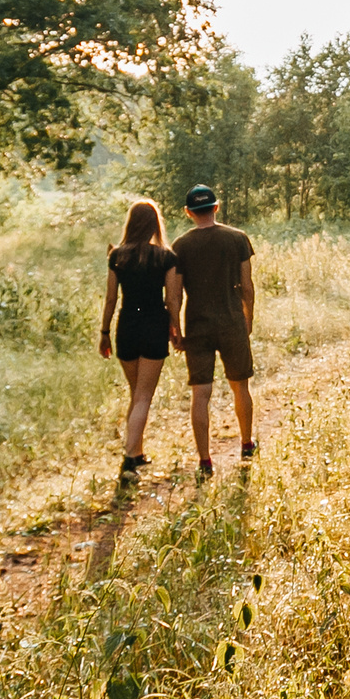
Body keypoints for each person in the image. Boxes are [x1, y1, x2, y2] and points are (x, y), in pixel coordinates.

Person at [166, 182, 256, 477]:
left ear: (188, 212)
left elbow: (175, 294)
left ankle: (205, 460)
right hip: (232, 321)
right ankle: (246, 443)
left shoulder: (180, 246)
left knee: (200, 393)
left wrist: (175, 326)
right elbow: (247, 286)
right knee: (240, 385)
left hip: (198, 325)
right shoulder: (238, 239)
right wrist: (248, 318)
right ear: (216, 207)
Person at [98, 198, 177, 480]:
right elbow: (172, 299)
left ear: (130, 223)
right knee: (144, 396)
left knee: (136, 394)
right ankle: (130, 460)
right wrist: (176, 328)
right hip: (154, 325)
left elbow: (110, 300)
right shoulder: (165, 257)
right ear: (155, 224)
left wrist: (104, 333)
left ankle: (137, 451)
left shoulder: (117, 256)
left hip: (127, 325)